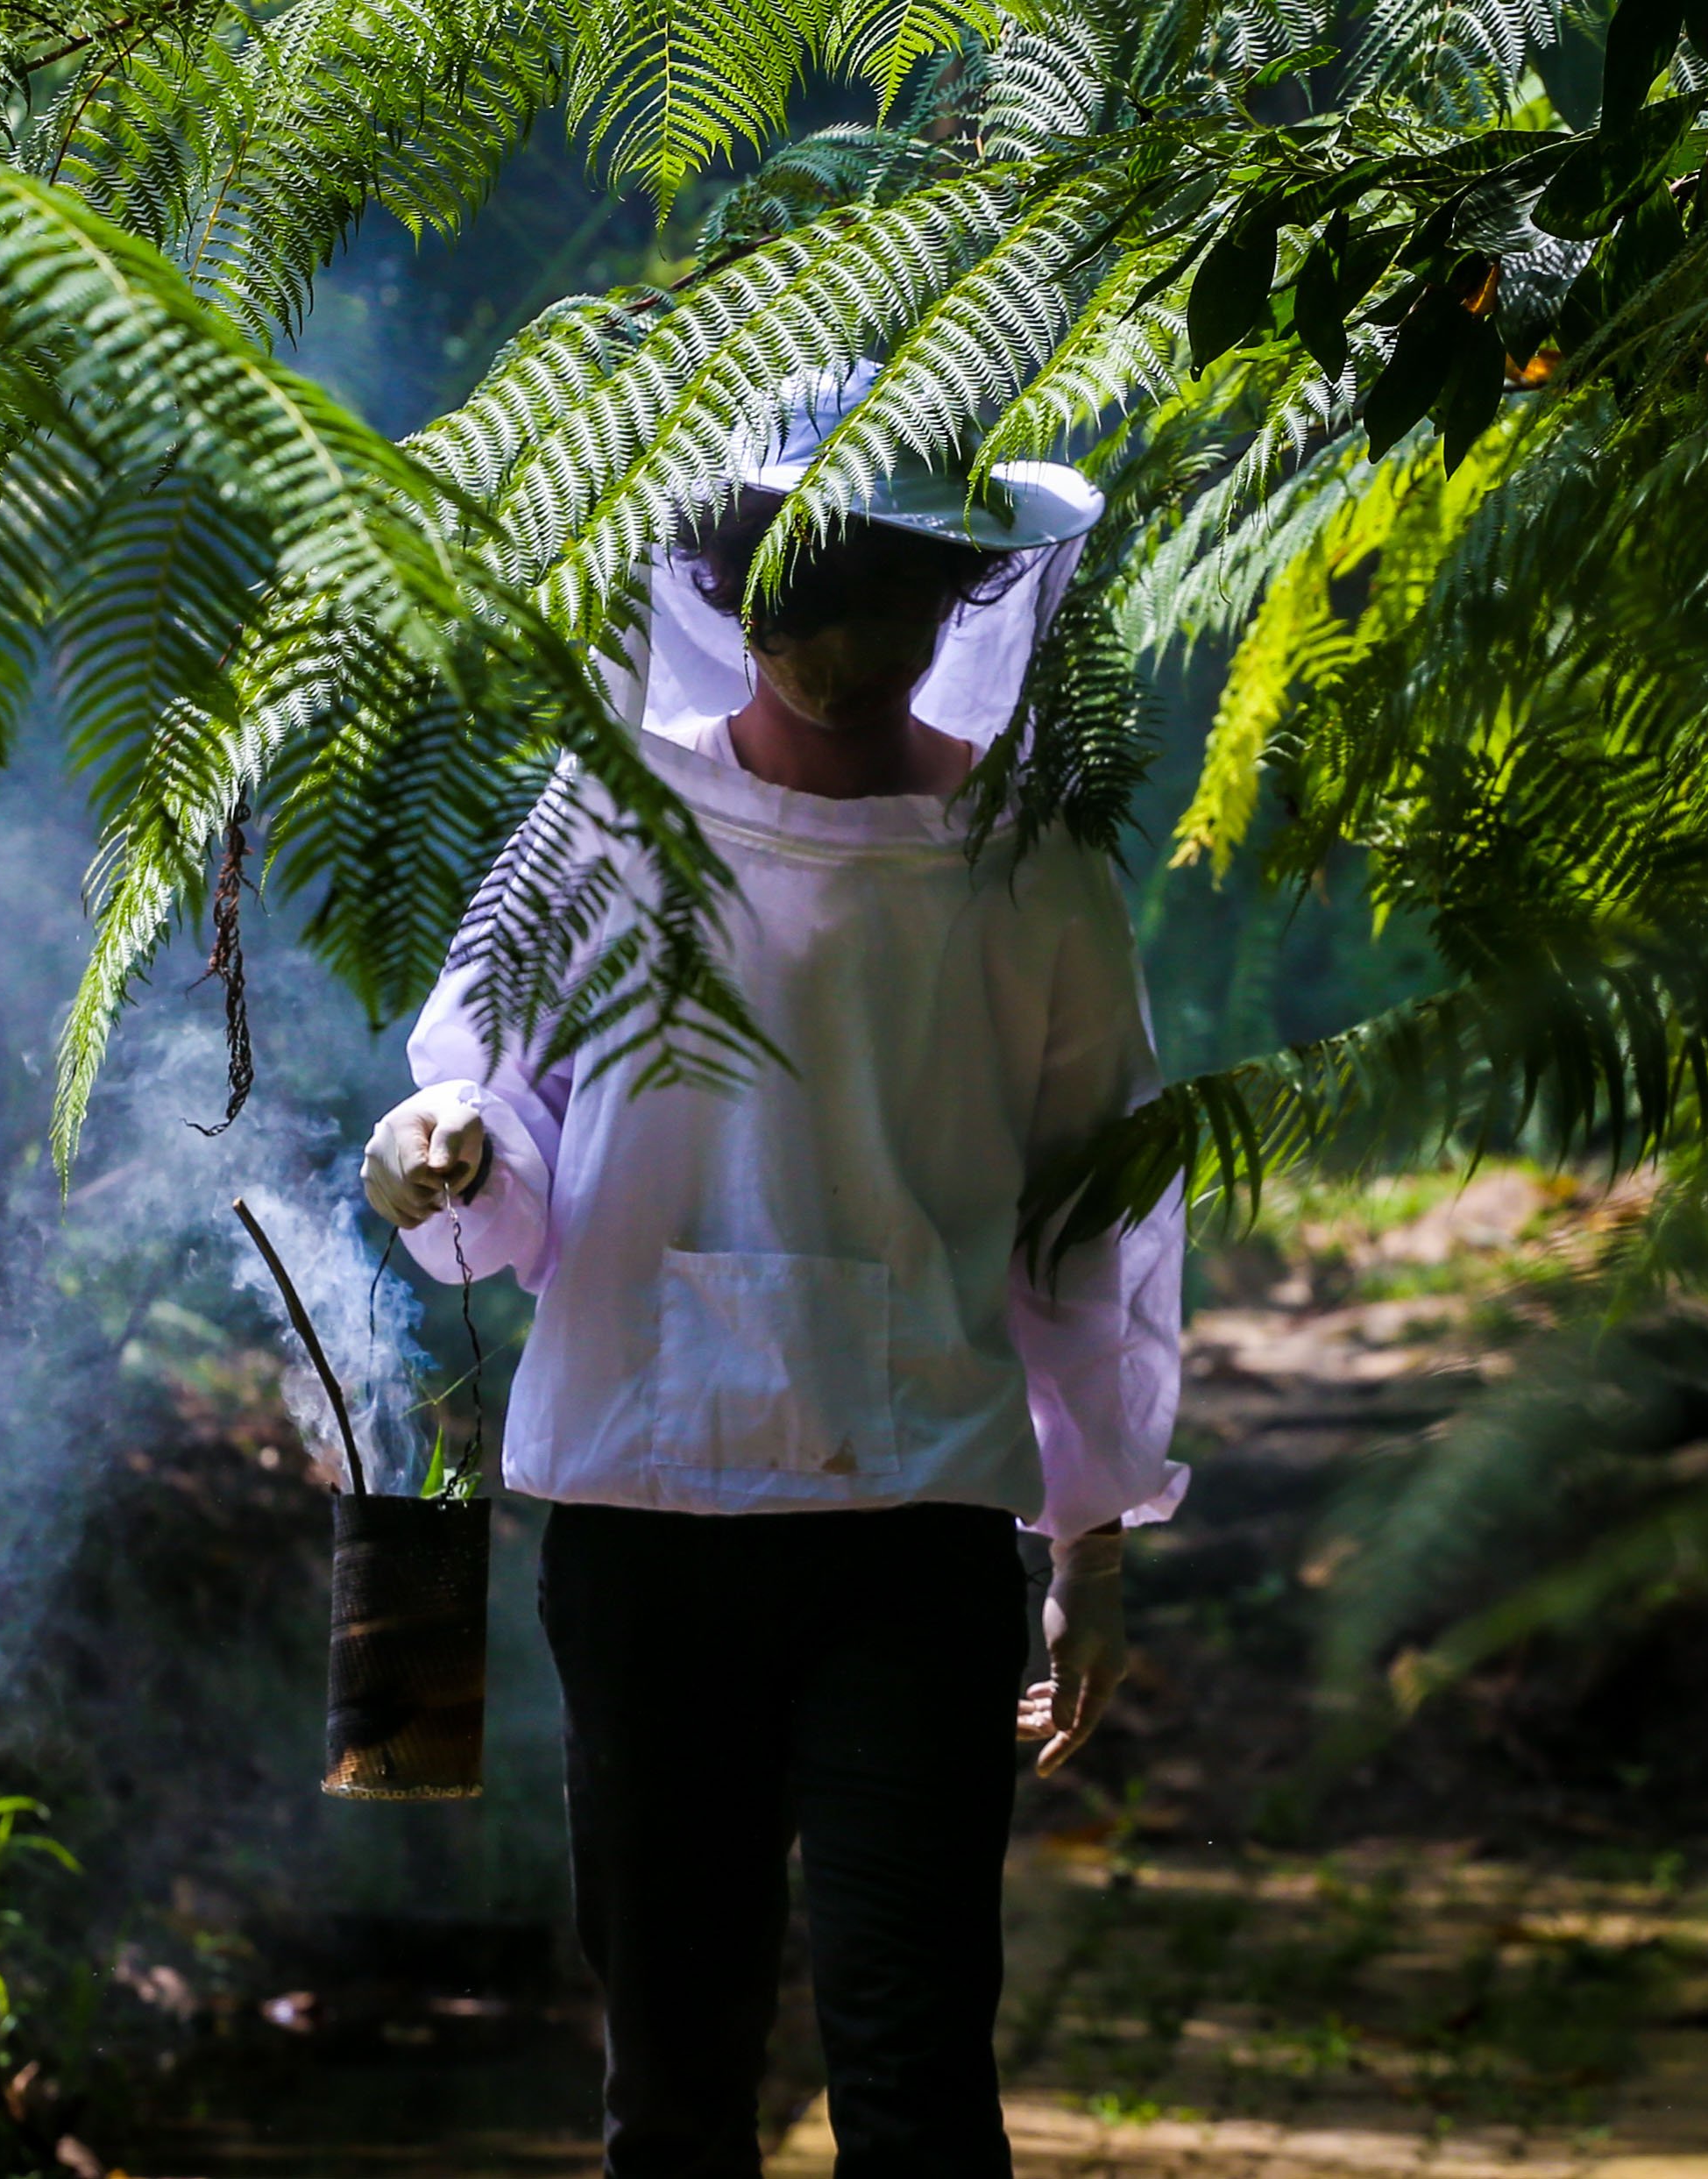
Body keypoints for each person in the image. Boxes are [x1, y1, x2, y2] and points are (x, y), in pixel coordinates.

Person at [358, 372, 1186, 2179]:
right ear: (727, 589)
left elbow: (1086, 1209)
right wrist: (436, 1145)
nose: (826, 642)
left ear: (951, 601)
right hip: (645, 1522)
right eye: (792, 592)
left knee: (911, 2059)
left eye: (875, 596)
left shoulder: (1030, 863)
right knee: (673, 2067)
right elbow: (490, 1100)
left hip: (913, 1536)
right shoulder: (605, 822)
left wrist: (1095, 1537)